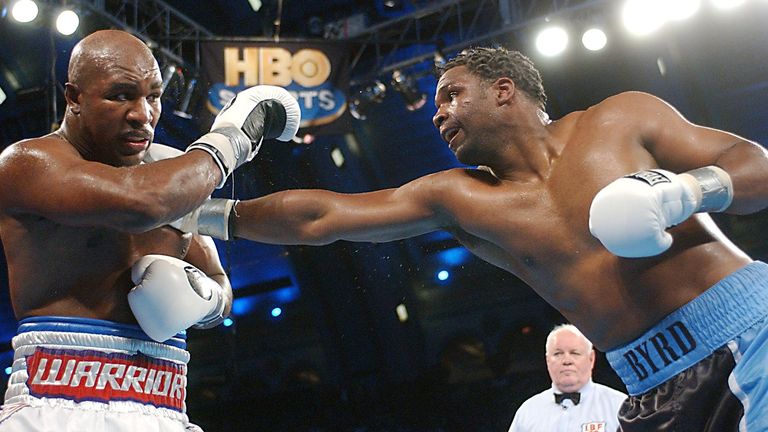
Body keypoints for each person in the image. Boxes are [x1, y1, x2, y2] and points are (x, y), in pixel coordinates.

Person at [177, 46, 768, 430]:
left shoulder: (620, 118)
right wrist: (196, 213)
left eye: (451, 96)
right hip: (649, 386)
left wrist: (682, 194)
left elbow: (753, 165)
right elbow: (323, 218)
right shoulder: (460, 197)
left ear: (503, 90)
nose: (438, 115)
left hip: (750, 332)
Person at [0, 29, 299, 431]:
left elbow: (222, 282)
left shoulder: (172, 180)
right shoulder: (27, 163)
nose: (143, 114)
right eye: (121, 95)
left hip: (164, 405)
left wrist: (205, 300)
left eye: (154, 96)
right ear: (73, 97)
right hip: (57, 403)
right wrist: (232, 140)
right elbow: (141, 204)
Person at [508, 324, 626, 432]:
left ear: (591, 359)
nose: (567, 361)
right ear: (548, 360)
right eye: (558, 354)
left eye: (575, 353)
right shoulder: (527, 412)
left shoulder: (619, 406)